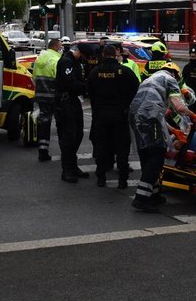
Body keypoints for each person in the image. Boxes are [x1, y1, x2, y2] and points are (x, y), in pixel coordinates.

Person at [128, 62, 196, 212]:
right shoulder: (170, 79)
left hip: (136, 115)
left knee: (146, 152)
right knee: (157, 154)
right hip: (149, 117)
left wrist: (174, 130)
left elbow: (155, 112)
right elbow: (179, 107)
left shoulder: (150, 79)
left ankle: (154, 194)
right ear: (175, 74)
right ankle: (141, 198)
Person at [87, 44, 139, 188]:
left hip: (101, 115)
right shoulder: (125, 71)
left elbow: (89, 92)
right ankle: (122, 180)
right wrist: (126, 103)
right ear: (116, 55)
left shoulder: (95, 72)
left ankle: (101, 177)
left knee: (102, 146)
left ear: (103, 55)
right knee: (122, 147)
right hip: (120, 115)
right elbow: (136, 89)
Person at [55, 43, 88, 183]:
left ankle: (73, 166)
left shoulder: (74, 62)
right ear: (78, 52)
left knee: (78, 134)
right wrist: (87, 86)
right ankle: (67, 170)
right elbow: (70, 84)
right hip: (65, 103)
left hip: (72, 102)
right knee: (69, 137)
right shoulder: (66, 62)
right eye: (83, 55)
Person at [32, 37, 63, 162]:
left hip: (41, 95)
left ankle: (42, 151)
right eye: (60, 46)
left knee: (44, 123)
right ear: (55, 47)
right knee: (61, 123)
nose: (61, 48)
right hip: (54, 97)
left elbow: (34, 77)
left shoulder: (39, 59)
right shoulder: (56, 59)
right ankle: (65, 150)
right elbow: (60, 79)